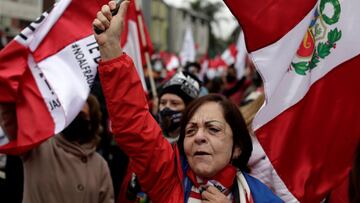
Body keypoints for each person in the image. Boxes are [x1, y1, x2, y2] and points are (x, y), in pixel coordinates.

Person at [93, 1, 282, 202]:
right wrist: (111, 46)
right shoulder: (168, 179)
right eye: (190, 131)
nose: (199, 137)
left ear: (237, 148)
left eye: (213, 129)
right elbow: (134, 124)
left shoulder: (262, 196)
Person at [0, 95, 114, 203]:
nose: (74, 119)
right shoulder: (39, 147)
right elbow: (9, 116)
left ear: (91, 123)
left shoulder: (100, 166)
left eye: (80, 115)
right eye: (71, 113)